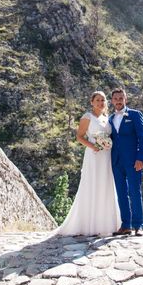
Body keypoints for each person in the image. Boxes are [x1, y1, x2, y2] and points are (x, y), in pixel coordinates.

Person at [55, 91, 121, 236]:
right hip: (94, 155)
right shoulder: (87, 117)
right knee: (93, 184)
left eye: (103, 100)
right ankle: (88, 225)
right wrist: (93, 146)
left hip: (107, 156)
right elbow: (79, 136)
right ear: (92, 102)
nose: (100, 102)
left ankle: (106, 224)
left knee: (106, 185)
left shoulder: (107, 118)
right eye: (97, 100)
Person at [109, 87, 143, 236]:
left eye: (121, 98)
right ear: (112, 101)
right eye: (116, 99)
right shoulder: (111, 119)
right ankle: (126, 225)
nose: (118, 101)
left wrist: (141, 158)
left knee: (134, 192)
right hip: (116, 161)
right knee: (121, 193)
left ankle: (138, 225)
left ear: (125, 99)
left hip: (133, 161)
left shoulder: (135, 115)